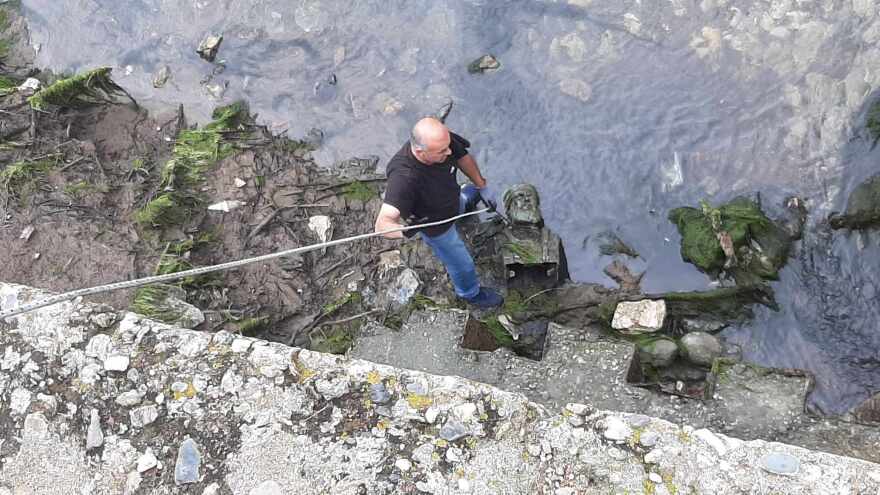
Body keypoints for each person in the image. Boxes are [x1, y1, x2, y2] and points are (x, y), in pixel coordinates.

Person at [374, 117, 504, 308]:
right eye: (442, 151)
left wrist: (481, 185)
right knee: (463, 264)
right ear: (420, 152)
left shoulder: (442, 142)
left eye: (448, 146)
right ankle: (470, 293)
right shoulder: (403, 177)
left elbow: (462, 157)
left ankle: (465, 203)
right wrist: (405, 230)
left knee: (463, 199)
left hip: (451, 199)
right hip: (437, 225)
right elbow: (381, 224)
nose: (449, 151)